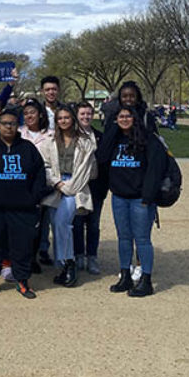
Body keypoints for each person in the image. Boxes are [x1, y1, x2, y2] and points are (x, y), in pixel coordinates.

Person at [0, 107, 47, 299]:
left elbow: (39, 174)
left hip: (22, 208)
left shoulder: (28, 149)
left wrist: (33, 197)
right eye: (5, 123)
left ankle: (22, 280)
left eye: (13, 124)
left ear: (17, 126)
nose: (9, 127)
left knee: (22, 246)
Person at [96, 105, 167, 297]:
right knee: (124, 238)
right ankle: (125, 274)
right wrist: (111, 130)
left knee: (142, 239)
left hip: (140, 198)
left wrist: (148, 196)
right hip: (119, 196)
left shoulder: (148, 138)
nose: (124, 119)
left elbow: (155, 169)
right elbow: (101, 158)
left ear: (135, 118)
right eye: (120, 116)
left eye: (128, 116)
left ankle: (146, 280)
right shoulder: (114, 139)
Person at [40, 105, 96, 287]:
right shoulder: (49, 141)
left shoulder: (85, 141)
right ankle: (63, 265)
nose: (64, 121)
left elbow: (87, 170)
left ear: (73, 119)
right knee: (56, 225)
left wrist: (70, 186)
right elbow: (45, 165)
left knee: (63, 222)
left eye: (67, 117)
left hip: (76, 185)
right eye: (60, 118)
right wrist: (57, 183)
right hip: (56, 186)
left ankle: (69, 264)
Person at [73, 102, 108, 275]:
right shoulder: (71, 136)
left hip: (95, 187)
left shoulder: (99, 136)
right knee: (78, 223)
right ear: (77, 115)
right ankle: (79, 254)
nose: (86, 117)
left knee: (93, 225)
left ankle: (92, 256)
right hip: (78, 186)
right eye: (82, 114)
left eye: (88, 114)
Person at [19, 98, 53, 270]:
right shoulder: (18, 133)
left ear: (40, 114)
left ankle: (34, 256)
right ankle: (21, 257)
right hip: (21, 184)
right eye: (25, 113)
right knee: (23, 223)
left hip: (43, 183)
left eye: (32, 112)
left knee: (39, 224)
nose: (29, 116)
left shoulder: (51, 134)